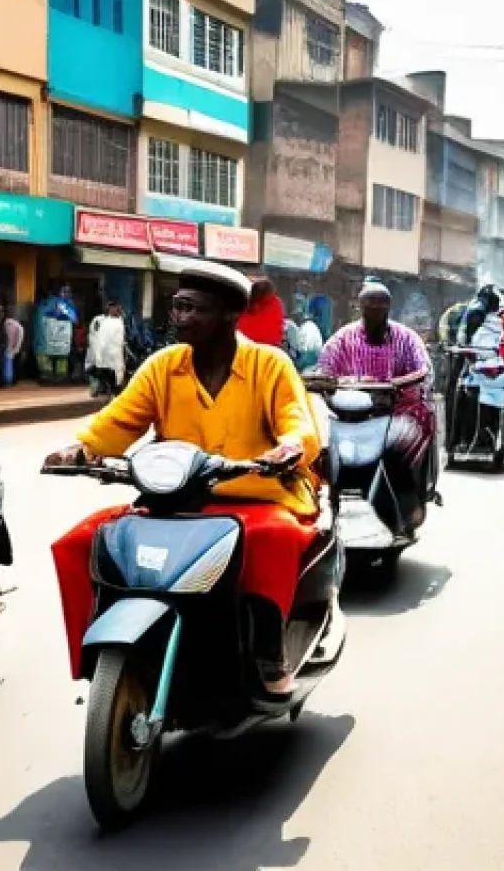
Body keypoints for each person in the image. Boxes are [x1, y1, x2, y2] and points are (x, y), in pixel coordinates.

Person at [45, 258, 324, 693]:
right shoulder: (163, 366)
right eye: (178, 307)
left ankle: (269, 653)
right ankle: (99, 656)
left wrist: (288, 448)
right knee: (80, 541)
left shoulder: (270, 365)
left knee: (274, 539)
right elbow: (115, 424)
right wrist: (80, 449)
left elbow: (298, 423)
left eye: (196, 309)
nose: (181, 317)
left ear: (231, 316)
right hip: (178, 500)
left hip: (260, 497)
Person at [314, 277, 434, 531]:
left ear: (388, 309)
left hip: (394, 411)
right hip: (348, 416)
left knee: (403, 444)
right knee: (318, 447)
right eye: (370, 308)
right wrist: (326, 383)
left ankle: (406, 504)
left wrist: (396, 383)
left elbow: (423, 369)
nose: (375, 313)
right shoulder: (342, 339)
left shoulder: (406, 338)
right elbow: (325, 370)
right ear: (361, 308)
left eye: (380, 308)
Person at [85, 301, 126, 397]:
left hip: (115, 351)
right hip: (101, 350)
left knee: (116, 371)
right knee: (98, 370)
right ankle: (97, 389)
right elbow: (94, 333)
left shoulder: (120, 320)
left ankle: (115, 390)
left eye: (116, 308)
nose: (114, 310)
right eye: (111, 307)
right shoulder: (99, 320)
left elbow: (121, 336)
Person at [237, 278, 285, 347]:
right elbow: (279, 326)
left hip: (245, 345)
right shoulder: (275, 303)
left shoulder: (244, 302)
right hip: (269, 347)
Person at [2, 310, 25, 386]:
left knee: (7, 363)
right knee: (11, 363)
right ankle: (10, 380)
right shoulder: (18, 326)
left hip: (7, 346)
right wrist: (17, 348)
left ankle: (7, 380)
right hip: (13, 347)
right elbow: (20, 337)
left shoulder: (5, 324)